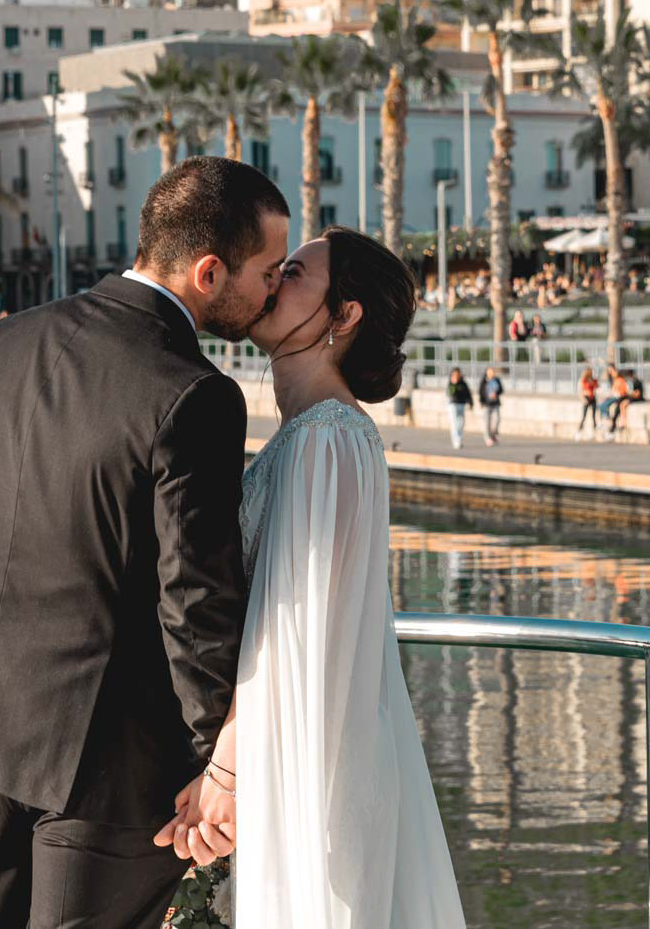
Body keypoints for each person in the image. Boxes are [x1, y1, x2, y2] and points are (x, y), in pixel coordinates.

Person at [0, 157, 289, 929]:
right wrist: (219, 765)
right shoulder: (193, 394)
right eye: (269, 271)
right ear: (210, 272)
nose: (274, 288)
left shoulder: (3, 346)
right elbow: (195, 602)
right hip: (105, 759)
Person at [156, 225, 465, 927]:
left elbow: (296, 634)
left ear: (344, 314)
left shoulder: (327, 440)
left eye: (294, 272)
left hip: (306, 760)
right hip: (299, 748)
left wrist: (228, 776)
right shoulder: (313, 436)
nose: (272, 281)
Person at [445, 366, 473, 449]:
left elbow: (468, 393)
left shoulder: (463, 383)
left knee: (461, 423)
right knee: (454, 424)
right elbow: (450, 393)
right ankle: (456, 441)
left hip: (462, 404)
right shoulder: (450, 383)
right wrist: (454, 384)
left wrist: (470, 403)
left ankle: (459, 439)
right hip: (453, 404)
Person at [478, 366, 504, 446]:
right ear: (487, 372)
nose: (492, 373)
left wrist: (496, 394)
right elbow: (481, 392)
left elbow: (501, 390)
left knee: (497, 419)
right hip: (487, 404)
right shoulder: (484, 381)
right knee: (487, 422)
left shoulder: (496, 380)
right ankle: (487, 438)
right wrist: (482, 402)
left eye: (493, 372)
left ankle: (493, 435)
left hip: (495, 403)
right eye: (490, 372)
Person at [576, 366, 600, 440]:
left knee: (593, 416)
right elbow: (580, 391)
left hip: (592, 398)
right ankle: (579, 432)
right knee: (584, 416)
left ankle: (594, 432)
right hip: (586, 398)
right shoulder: (583, 380)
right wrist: (583, 399)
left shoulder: (593, 380)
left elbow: (597, 387)